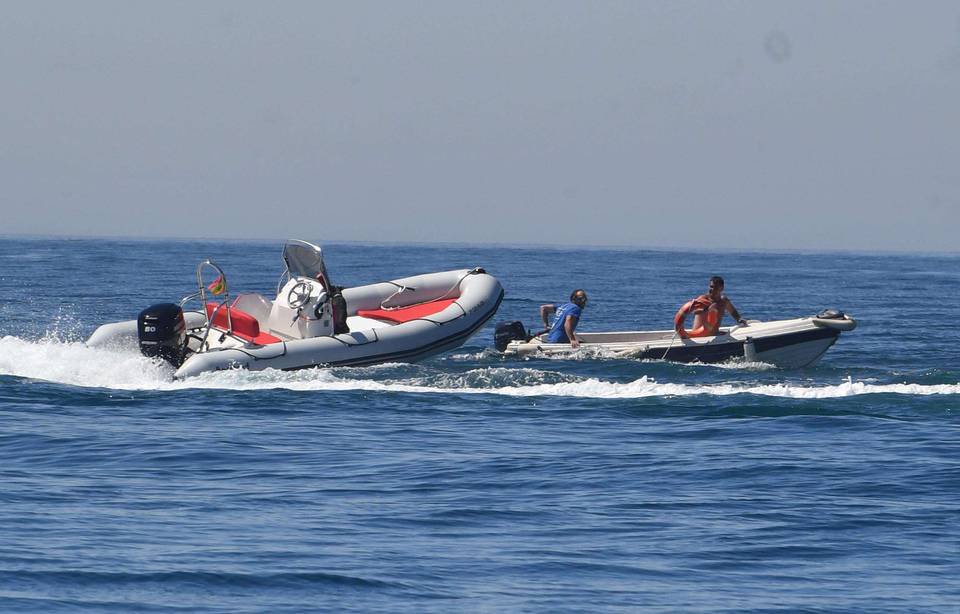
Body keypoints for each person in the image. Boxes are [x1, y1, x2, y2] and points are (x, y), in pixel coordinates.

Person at [674, 276, 745, 338]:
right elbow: (695, 312)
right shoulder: (703, 299)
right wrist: (707, 309)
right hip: (699, 336)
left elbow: (732, 311)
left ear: (722, 288)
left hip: (715, 336)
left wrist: (739, 319)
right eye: (711, 286)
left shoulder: (724, 301)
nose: (712, 289)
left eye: (715, 287)